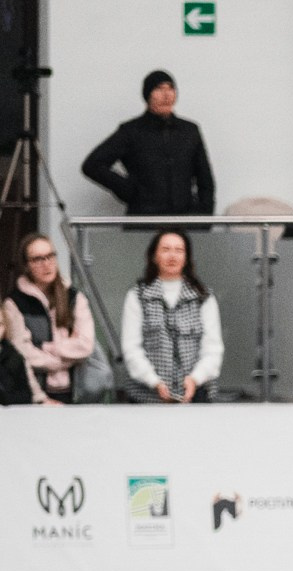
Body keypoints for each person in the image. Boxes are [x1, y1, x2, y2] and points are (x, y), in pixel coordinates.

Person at [81, 70, 216, 218]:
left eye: (170, 88)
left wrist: (204, 217)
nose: (166, 95)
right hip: (143, 221)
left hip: (184, 221)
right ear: (148, 95)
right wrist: (128, 190)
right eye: (159, 89)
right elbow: (92, 165)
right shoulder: (131, 131)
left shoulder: (189, 130)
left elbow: (205, 180)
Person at [121, 229, 221, 403]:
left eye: (179, 250)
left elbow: (213, 349)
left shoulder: (203, 297)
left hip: (196, 394)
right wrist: (154, 382)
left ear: (187, 258)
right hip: (147, 397)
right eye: (166, 249)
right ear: (154, 256)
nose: (172, 256)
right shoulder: (137, 296)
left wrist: (194, 379)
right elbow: (131, 349)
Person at [4, 233, 96, 405]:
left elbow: (85, 344)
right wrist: (63, 359)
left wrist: (47, 347)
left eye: (50, 256)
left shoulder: (75, 297)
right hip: (37, 390)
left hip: (76, 390)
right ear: (26, 265)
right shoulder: (14, 302)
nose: (47, 264)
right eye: (38, 259)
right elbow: (22, 352)